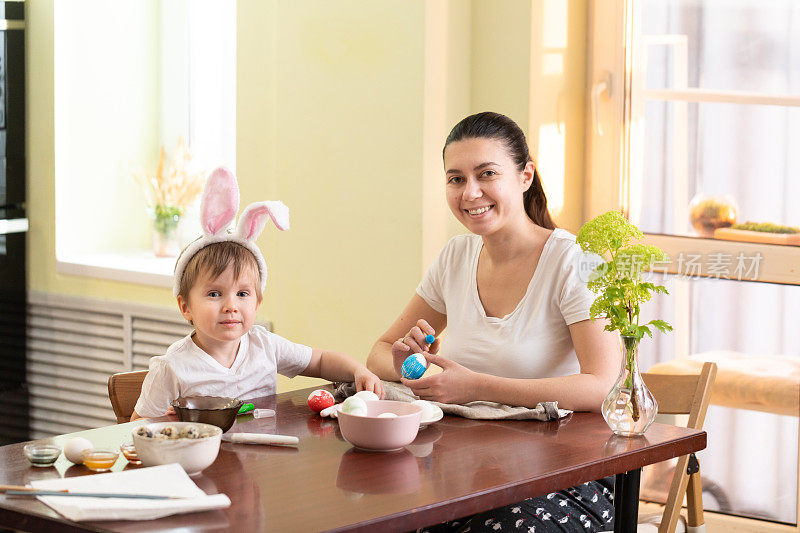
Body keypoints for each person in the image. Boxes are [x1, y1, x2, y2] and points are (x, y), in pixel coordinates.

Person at [366, 112, 620, 531]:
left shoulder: (575, 261)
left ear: (525, 176)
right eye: (455, 179)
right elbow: (378, 350)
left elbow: (604, 385)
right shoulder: (456, 257)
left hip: (564, 479)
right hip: (468, 471)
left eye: (487, 174)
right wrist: (407, 364)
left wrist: (475, 386)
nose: (470, 193)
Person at [132, 168, 382, 421]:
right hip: (203, 459)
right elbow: (135, 426)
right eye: (215, 294)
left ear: (257, 302)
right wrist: (165, 422)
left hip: (263, 458)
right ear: (185, 307)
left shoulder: (264, 345)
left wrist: (358, 371)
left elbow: (319, 361)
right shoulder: (173, 367)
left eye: (242, 293)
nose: (231, 306)